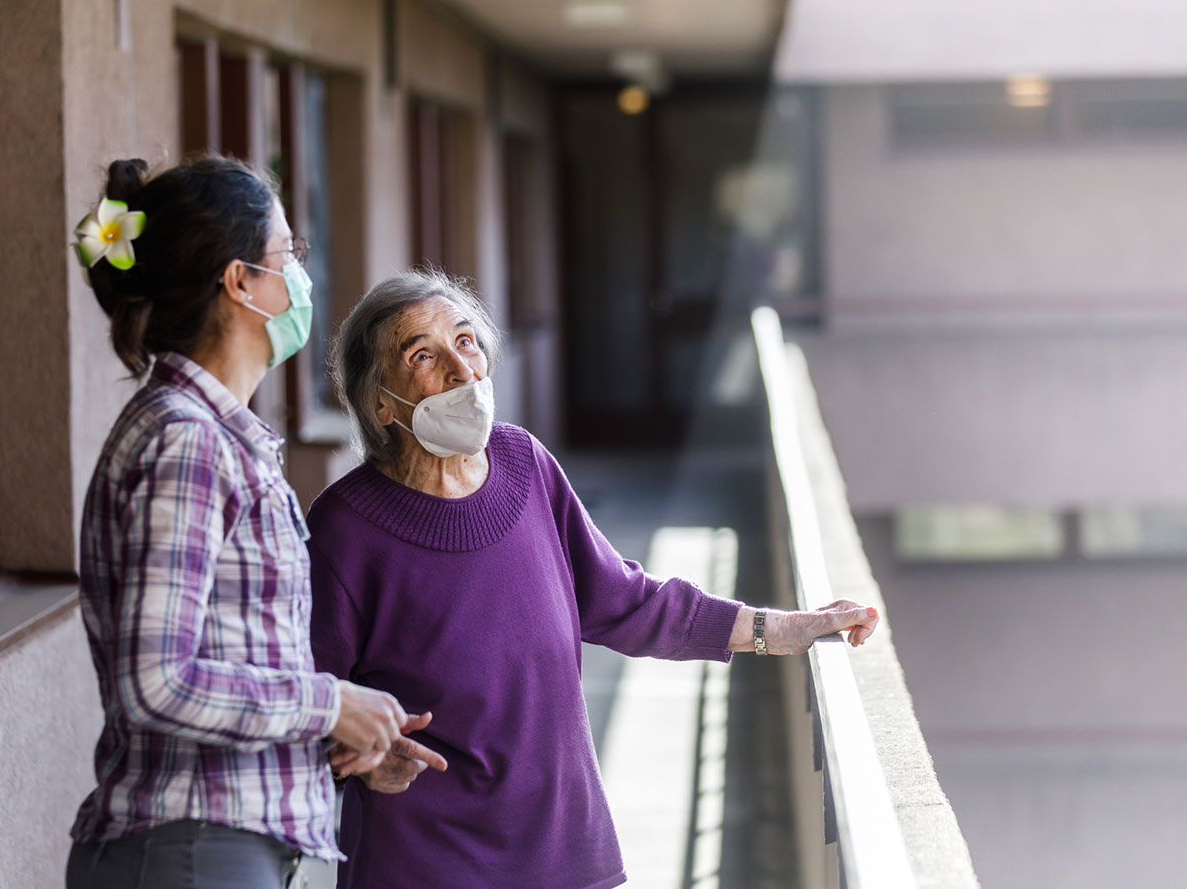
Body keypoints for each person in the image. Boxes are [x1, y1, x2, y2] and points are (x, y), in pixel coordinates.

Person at [307, 269, 879, 889]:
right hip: (424, 866)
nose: (461, 369)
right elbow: (309, 702)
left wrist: (778, 629)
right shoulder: (346, 527)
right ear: (381, 402)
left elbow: (625, 602)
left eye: (467, 341)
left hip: (565, 854)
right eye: (423, 354)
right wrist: (356, 761)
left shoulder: (525, 464)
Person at [65, 157, 443, 889]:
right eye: (288, 256)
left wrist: (334, 735)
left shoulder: (211, 433)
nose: (301, 278)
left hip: (215, 844)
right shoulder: (188, 441)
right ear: (239, 281)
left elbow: (227, 664)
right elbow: (157, 681)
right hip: (190, 849)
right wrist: (329, 700)